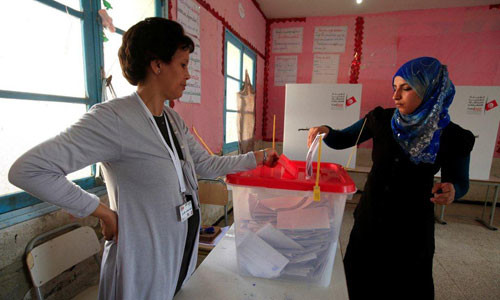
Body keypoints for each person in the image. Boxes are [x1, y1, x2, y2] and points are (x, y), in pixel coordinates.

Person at [9, 18, 278, 300]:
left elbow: (205, 164)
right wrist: (101, 211)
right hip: (143, 263)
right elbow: (28, 170)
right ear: (157, 64)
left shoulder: (172, 119)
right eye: (183, 65)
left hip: (178, 258)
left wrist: (257, 158)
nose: (189, 75)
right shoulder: (113, 119)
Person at [307, 57, 474, 299]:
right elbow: (344, 138)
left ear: (431, 91)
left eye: (406, 88)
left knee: (406, 286)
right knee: (359, 282)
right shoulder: (381, 120)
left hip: (413, 226)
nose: (396, 96)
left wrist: (453, 190)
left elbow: (460, 181)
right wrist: (326, 130)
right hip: (372, 217)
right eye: (394, 88)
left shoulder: (453, 136)